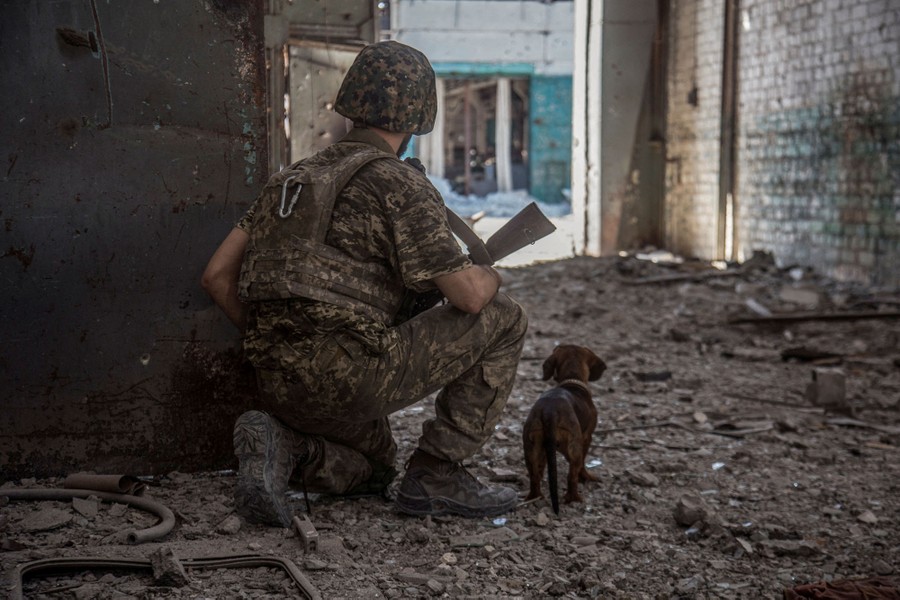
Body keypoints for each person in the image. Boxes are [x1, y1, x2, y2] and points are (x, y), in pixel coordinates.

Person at [201, 40, 527, 527]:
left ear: (351, 102)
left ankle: (288, 447)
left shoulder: (290, 179)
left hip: (275, 378)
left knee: (376, 469)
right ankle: (438, 471)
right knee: (505, 316)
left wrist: (285, 344)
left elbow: (215, 276)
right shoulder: (398, 181)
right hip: (351, 377)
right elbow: (469, 295)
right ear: (419, 116)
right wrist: (492, 273)